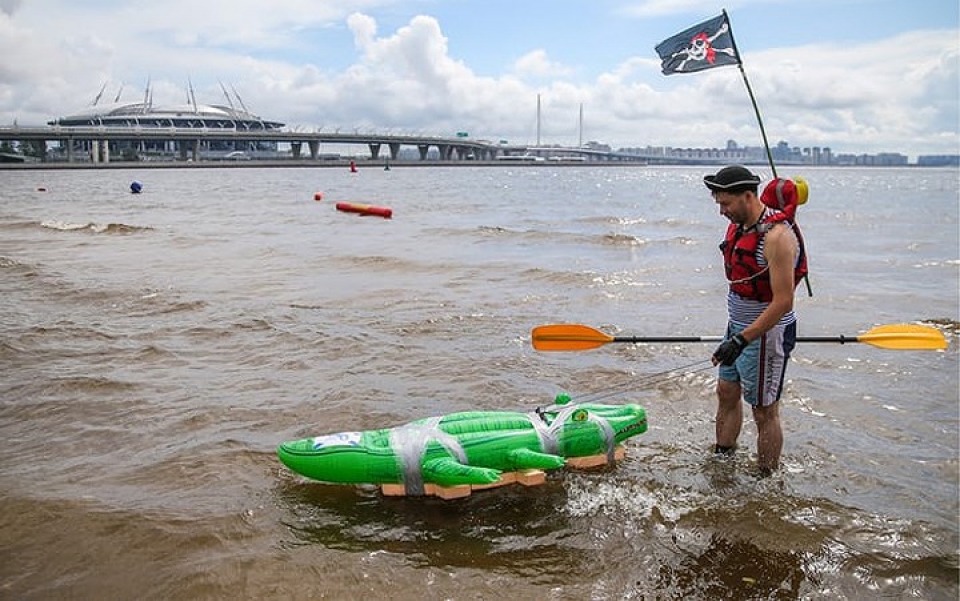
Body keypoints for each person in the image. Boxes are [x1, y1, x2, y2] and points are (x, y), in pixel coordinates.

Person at [704, 165, 807, 475]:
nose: (722, 211)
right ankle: (723, 461)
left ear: (748, 196)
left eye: (726, 203)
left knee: (764, 411)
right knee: (726, 392)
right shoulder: (737, 226)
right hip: (737, 326)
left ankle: (765, 478)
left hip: (766, 334)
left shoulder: (777, 238)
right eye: (718, 203)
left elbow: (783, 301)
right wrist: (735, 336)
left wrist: (742, 339)